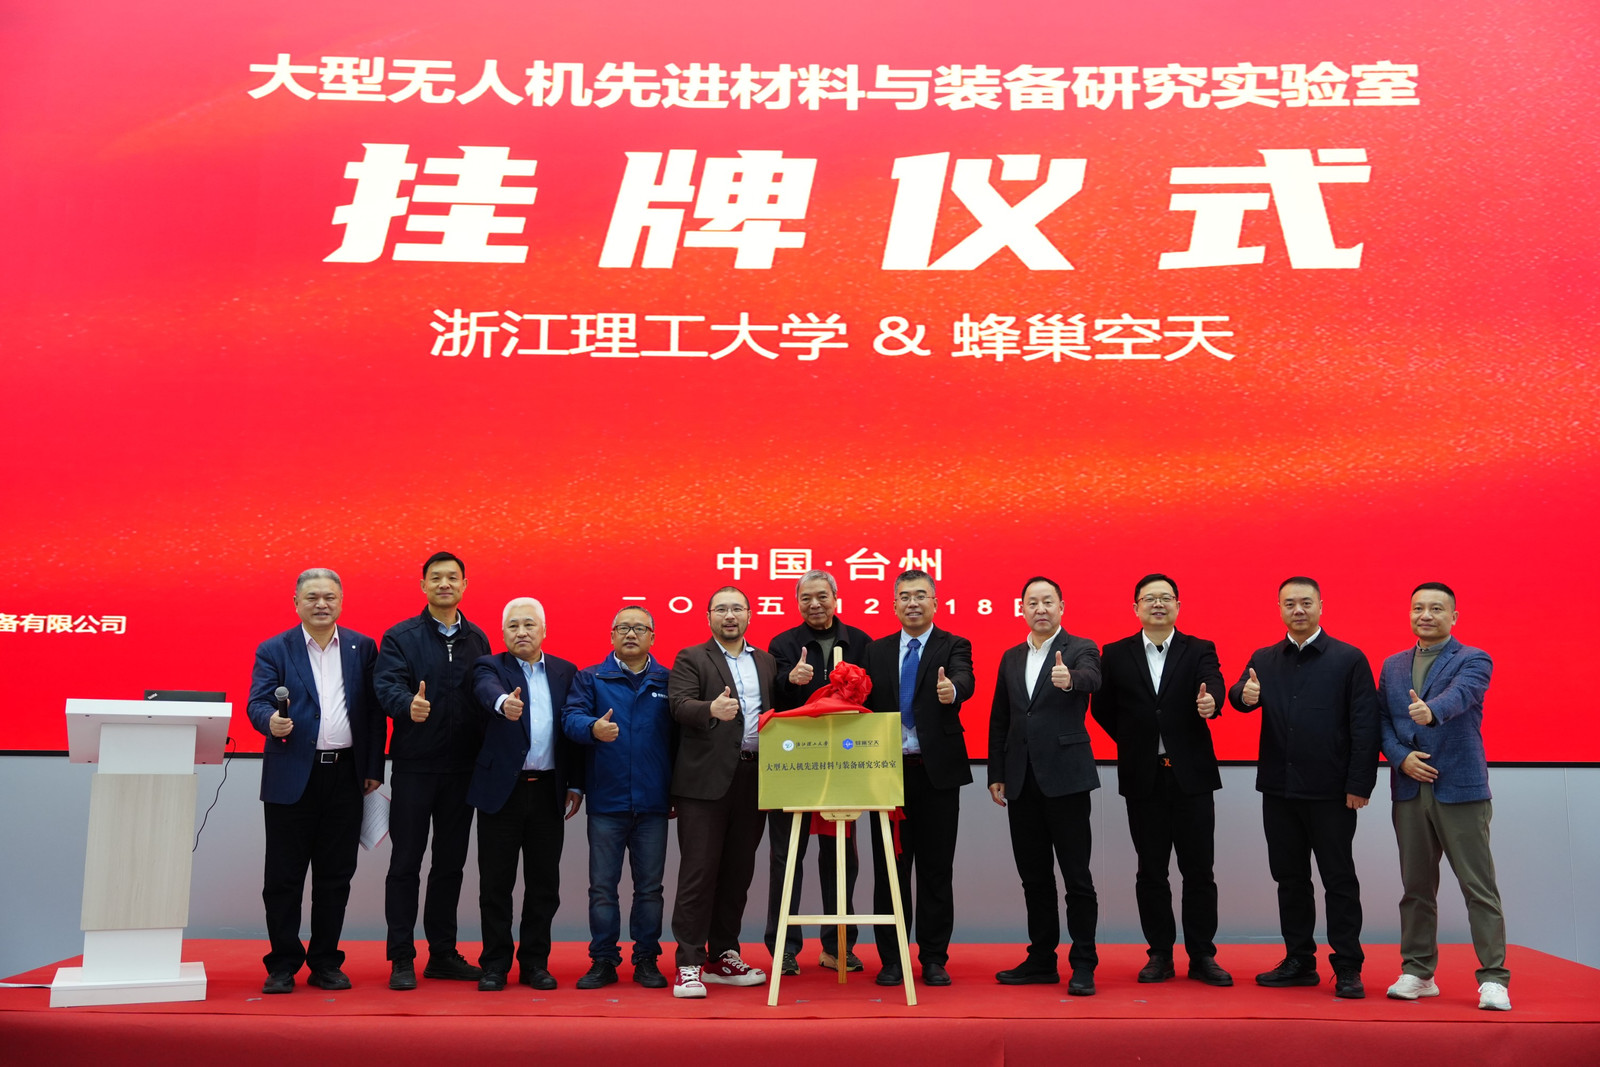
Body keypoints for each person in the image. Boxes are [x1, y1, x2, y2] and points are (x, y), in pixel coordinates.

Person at [1229, 576, 1380, 999]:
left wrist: (1359, 783)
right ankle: (1299, 960)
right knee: (1290, 879)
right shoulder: (1264, 658)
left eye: (1306, 602)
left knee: (1339, 879)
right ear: (1279, 609)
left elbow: (1366, 726)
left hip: (1332, 792)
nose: (1298, 610)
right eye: (1290, 603)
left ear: (1320, 606)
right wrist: (1244, 695)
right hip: (1279, 790)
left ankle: (1348, 966)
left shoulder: (1349, 659)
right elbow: (1240, 696)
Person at [247, 568, 384, 994]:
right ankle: (283, 963)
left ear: (341, 601)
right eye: (312, 597)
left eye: (329, 597)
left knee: (335, 876)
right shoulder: (274, 648)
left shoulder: (362, 647)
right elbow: (257, 702)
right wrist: (270, 722)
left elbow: (373, 712)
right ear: (296, 603)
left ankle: (325, 962)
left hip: (345, 775)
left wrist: (373, 768)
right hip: (291, 774)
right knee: (283, 878)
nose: (321, 604)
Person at [1091, 573, 1232, 987]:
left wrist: (1211, 702)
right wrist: (1136, 742)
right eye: (1149, 598)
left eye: (1166, 597)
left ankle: (1203, 956)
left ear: (1178, 606)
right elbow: (1102, 708)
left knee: (1199, 871)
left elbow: (1214, 683)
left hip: (1191, 777)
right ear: (1135, 607)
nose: (1158, 604)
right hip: (1143, 777)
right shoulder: (1115, 653)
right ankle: (1160, 954)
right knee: (1151, 871)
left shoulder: (1199, 648)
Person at [1377, 583, 1509, 1011]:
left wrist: (1431, 710)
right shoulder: (1393, 665)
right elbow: (1381, 721)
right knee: (1415, 888)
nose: (1426, 615)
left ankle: (1494, 978)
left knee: (1478, 887)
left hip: (1460, 789)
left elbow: (1462, 695)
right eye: (1418, 608)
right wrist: (1400, 758)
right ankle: (1418, 972)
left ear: (1454, 616)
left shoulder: (1473, 658)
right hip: (1409, 788)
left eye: (1436, 608)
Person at [375, 551, 492, 990]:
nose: (445, 584)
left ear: (464, 585)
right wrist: (408, 705)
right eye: (436, 578)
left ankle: (442, 953)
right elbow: (385, 685)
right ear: (423, 585)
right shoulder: (400, 637)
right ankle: (401, 957)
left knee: (450, 865)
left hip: (463, 770)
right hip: (415, 767)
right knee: (405, 863)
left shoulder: (478, 639)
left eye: (453, 578)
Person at [988, 576, 1102, 995]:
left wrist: (1070, 679)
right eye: (1032, 603)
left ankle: (1084, 963)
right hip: (1021, 781)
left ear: (1061, 607)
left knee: (1077, 878)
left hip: (1067, 779)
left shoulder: (1081, 648)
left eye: (1047, 602)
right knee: (1034, 878)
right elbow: (1001, 717)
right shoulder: (1011, 657)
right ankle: (1041, 959)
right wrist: (996, 772)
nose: (1040, 609)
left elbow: (1093, 678)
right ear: (1022, 609)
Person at [863, 569, 975, 988]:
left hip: (936, 774)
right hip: (886, 775)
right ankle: (891, 959)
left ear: (935, 602)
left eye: (921, 595)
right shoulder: (875, 651)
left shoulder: (954, 644)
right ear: (894, 604)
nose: (913, 603)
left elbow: (964, 679)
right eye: (905, 596)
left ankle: (933, 958)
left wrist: (953, 691)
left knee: (935, 869)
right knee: (889, 870)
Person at [467, 597, 583, 991]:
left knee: (543, 885)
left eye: (529, 625)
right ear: (503, 633)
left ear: (544, 630)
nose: (521, 632)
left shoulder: (566, 671)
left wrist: (575, 783)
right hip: (501, 793)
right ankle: (495, 964)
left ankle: (535, 963)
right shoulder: (489, 666)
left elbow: (572, 731)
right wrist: (503, 703)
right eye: (513, 626)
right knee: (495, 884)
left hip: (548, 791)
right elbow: (485, 690)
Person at [666, 586, 775, 998]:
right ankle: (689, 963)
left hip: (754, 778)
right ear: (709, 616)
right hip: (704, 783)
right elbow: (678, 705)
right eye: (721, 609)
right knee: (698, 873)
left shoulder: (765, 661)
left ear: (749, 615)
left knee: (737, 873)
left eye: (737, 608)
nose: (730, 615)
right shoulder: (692, 657)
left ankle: (723, 955)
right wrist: (709, 709)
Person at [765, 569, 873, 975]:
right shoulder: (782, 644)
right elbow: (771, 695)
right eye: (806, 597)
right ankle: (784, 948)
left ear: (835, 598)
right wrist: (789, 680)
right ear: (797, 602)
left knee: (841, 858)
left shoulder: (860, 642)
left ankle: (837, 946)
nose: (815, 604)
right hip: (793, 764)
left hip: (843, 766)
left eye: (822, 596)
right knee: (786, 857)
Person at [561, 606, 675, 991]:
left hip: (654, 803)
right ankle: (603, 960)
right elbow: (570, 718)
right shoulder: (590, 678)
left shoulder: (668, 680)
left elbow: (680, 741)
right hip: (607, 803)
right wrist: (592, 727)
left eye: (639, 628)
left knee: (650, 889)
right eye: (623, 628)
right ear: (611, 635)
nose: (630, 634)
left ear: (652, 637)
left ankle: (646, 959)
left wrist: (677, 791)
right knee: (602, 889)